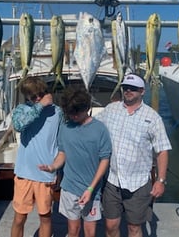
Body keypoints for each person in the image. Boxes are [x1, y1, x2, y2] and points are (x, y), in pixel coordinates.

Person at [96, 73, 172, 237]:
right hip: (112, 180)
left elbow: (162, 150)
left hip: (138, 183)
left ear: (142, 91)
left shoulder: (153, 118)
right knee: (110, 225)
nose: (128, 91)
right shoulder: (111, 109)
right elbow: (92, 126)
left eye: (134, 89)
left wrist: (160, 180)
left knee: (134, 228)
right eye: (125, 88)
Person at [39, 85, 112, 237]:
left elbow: (104, 160)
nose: (73, 117)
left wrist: (91, 189)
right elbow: (62, 153)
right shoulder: (65, 127)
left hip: (92, 191)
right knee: (73, 230)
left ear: (87, 107)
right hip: (69, 188)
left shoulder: (100, 129)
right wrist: (52, 167)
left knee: (90, 232)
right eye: (70, 113)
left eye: (77, 113)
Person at [10, 76, 64, 237]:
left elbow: (61, 142)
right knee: (19, 218)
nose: (38, 98)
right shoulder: (22, 110)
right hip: (24, 173)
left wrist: (59, 172)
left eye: (41, 94)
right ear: (27, 97)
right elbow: (19, 125)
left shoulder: (57, 112)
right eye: (33, 97)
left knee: (45, 217)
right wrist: (39, 106)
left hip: (46, 174)